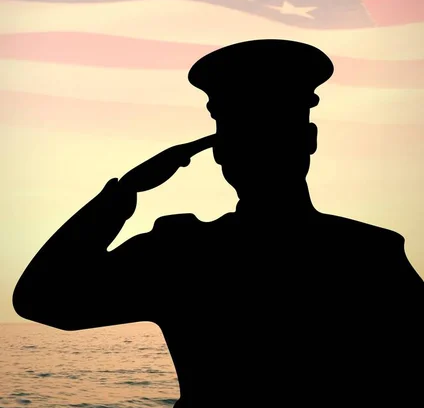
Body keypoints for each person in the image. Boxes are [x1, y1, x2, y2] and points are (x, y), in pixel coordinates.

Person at [13, 39, 424, 407]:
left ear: (218, 153)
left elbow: (43, 297)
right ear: (309, 140)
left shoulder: (179, 252)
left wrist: (125, 193)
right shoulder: (371, 251)